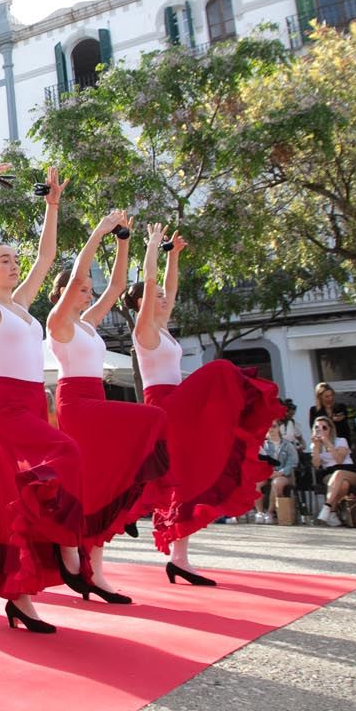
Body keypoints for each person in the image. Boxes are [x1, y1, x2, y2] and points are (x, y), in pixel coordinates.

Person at [0, 163, 89, 630]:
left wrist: (52, 206)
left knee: (20, 498)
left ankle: (20, 596)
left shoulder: (22, 307)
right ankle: (69, 545)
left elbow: (49, 256)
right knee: (67, 453)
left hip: (35, 400)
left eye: (16, 259)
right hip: (9, 404)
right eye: (5, 260)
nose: (14, 265)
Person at [129, 225, 281, 584]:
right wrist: (151, 248)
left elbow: (170, 287)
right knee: (220, 369)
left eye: (166, 296)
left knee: (187, 478)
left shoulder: (163, 328)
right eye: (157, 296)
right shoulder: (143, 332)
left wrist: (173, 256)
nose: (165, 298)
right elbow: (151, 283)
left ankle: (179, 559)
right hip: (165, 406)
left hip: (179, 405)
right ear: (140, 303)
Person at [44, 207, 168, 599]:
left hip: (95, 398)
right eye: (82, 289)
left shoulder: (87, 323)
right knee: (151, 418)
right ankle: (127, 499)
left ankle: (93, 571)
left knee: (97, 487)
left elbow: (116, 286)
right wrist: (98, 229)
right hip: (78, 405)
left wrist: (124, 241)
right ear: (66, 291)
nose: (89, 292)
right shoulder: (58, 322)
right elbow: (81, 272)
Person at [310, 417, 356, 526]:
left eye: (324, 427)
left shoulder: (340, 441)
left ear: (330, 429)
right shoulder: (315, 445)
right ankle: (332, 513)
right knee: (343, 484)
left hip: (348, 470)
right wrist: (316, 448)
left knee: (339, 473)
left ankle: (327, 507)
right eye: (316, 427)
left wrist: (327, 442)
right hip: (329, 473)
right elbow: (316, 465)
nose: (320, 429)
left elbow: (339, 460)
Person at [254, 420, 300, 522]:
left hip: (284, 475)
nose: (271, 429)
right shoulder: (262, 445)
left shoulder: (288, 445)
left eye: (274, 426)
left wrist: (281, 472)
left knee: (277, 483)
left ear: (279, 428)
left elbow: (293, 463)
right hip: (267, 474)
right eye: (268, 426)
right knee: (255, 483)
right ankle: (260, 512)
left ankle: (270, 513)